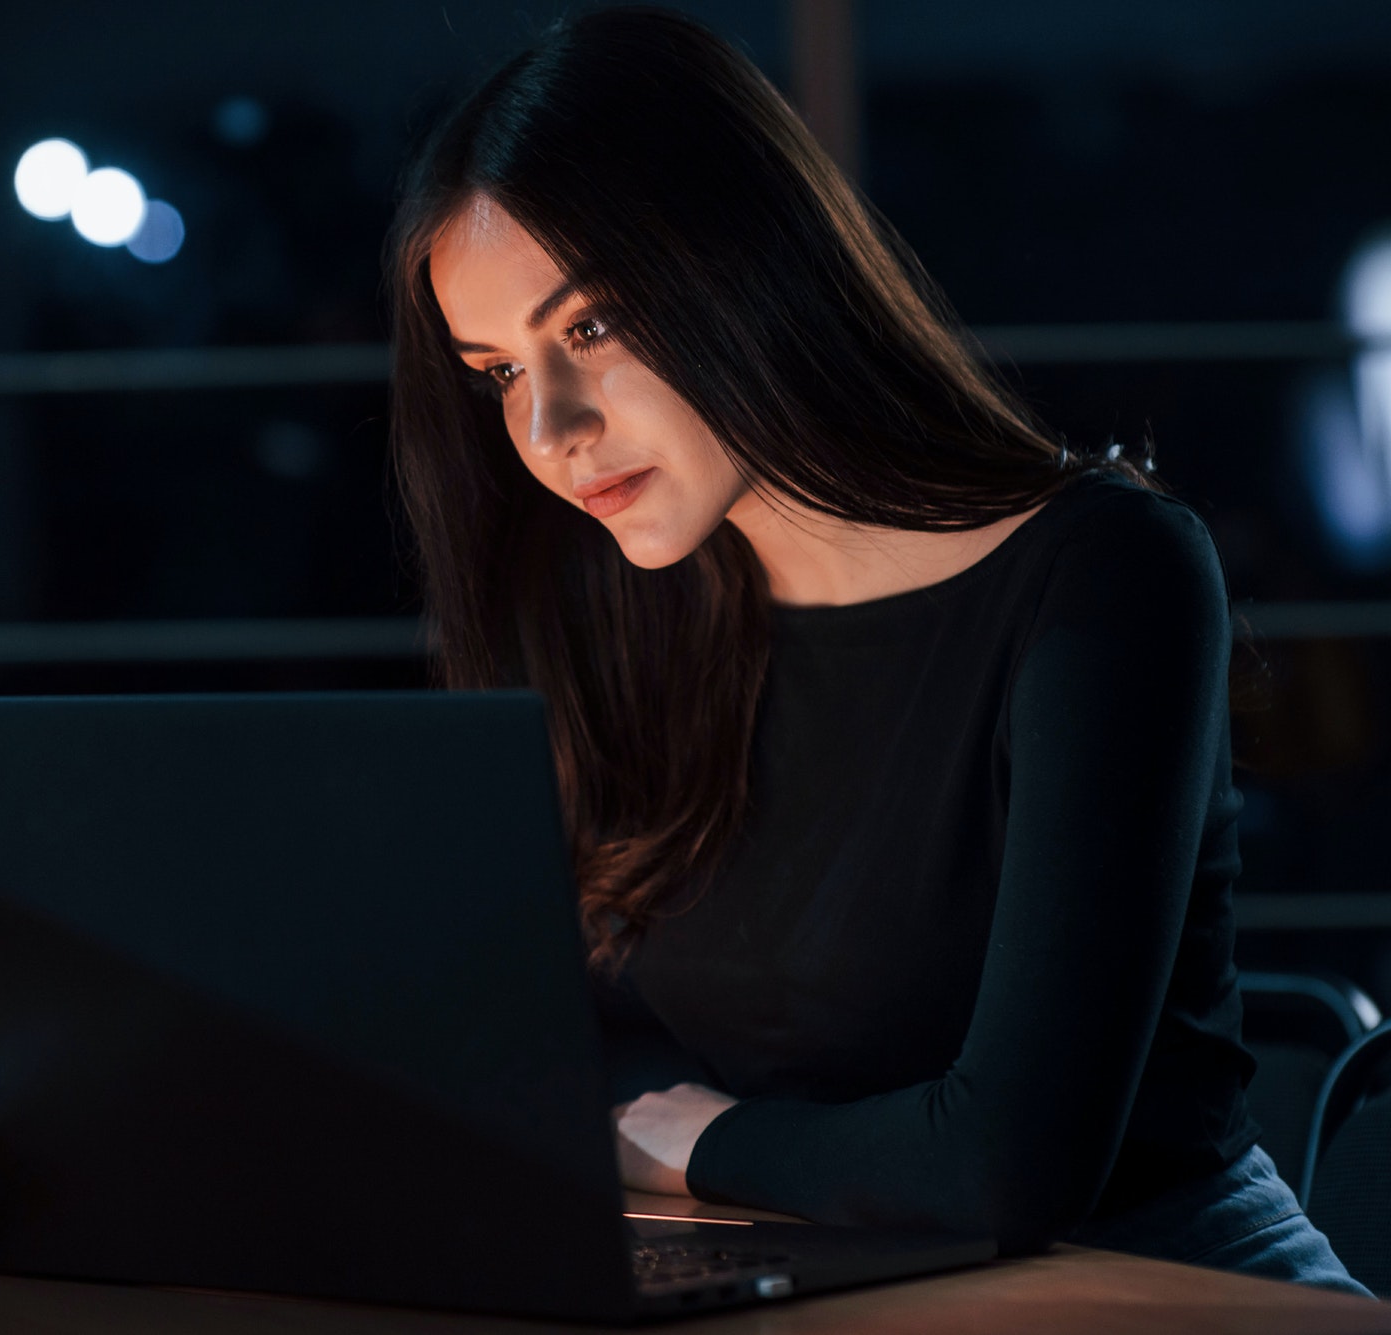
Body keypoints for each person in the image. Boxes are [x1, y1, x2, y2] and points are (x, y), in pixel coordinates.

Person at [386, 6, 1370, 1296]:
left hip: (1155, 1286)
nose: (553, 429)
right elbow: (568, 1051)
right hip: (821, 1277)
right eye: (497, 372)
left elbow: (1009, 1164)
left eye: (590, 329)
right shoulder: (639, 602)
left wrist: (713, 1145)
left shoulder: (1104, 573)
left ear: (749, 268)